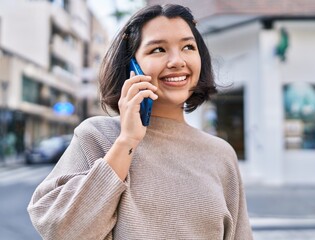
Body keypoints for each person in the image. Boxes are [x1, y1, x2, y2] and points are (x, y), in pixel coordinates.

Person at [27, 4, 253, 240]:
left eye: (188, 47)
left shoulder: (221, 154)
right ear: (131, 67)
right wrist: (127, 140)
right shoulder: (97, 136)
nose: (177, 61)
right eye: (158, 49)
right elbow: (60, 230)